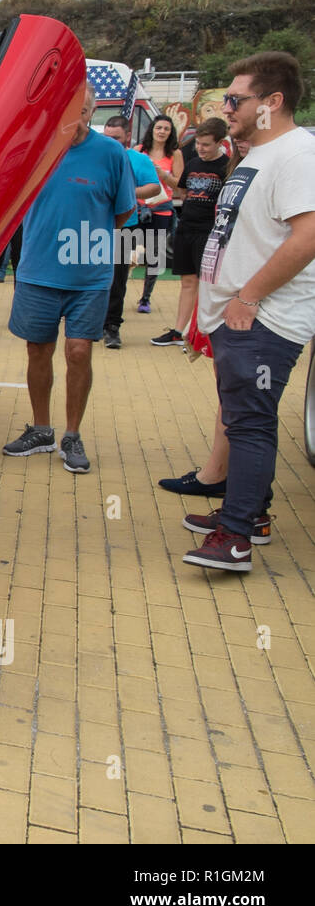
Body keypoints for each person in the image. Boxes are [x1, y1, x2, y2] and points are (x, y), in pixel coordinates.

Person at [181, 51, 315, 572]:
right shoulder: (260, 152)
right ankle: (249, 515)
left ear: (272, 102)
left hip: (263, 319)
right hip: (238, 317)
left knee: (251, 424)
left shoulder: (298, 155)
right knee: (243, 421)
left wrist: (248, 297)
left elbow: (307, 237)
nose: (226, 107)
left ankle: (235, 538)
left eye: (236, 99)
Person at [2, 82, 135, 473]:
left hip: (89, 274)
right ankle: (41, 429)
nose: (71, 117)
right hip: (37, 271)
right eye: (65, 108)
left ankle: (72, 434)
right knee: (37, 349)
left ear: (90, 113)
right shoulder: (36, 147)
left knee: (79, 350)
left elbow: (123, 210)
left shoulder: (111, 153)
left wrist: (88, 239)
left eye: (79, 109)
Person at [149, 117, 230, 347]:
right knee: (187, 281)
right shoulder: (193, 163)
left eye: (206, 145)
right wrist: (164, 176)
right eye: (198, 144)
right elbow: (183, 190)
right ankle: (179, 331)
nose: (200, 149)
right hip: (186, 227)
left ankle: (204, 332)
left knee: (208, 284)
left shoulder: (227, 166)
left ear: (219, 143)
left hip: (210, 232)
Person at [100, 115, 165, 348]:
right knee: (89, 276)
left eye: (116, 138)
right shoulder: (96, 155)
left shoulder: (138, 159)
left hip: (124, 226)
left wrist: (128, 191)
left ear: (128, 136)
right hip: (92, 229)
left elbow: (154, 187)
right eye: (107, 137)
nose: (111, 142)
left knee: (117, 280)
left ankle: (112, 327)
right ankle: (90, 322)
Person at [133, 115, 184, 313]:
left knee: (154, 255)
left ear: (171, 133)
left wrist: (163, 175)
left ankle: (145, 298)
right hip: (137, 208)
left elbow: (179, 186)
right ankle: (118, 294)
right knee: (126, 254)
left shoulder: (175, 154)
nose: (162, 131)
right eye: (159, 128)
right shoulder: (139, 151)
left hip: (161, 209)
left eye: (166, 129)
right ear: (152, 129)